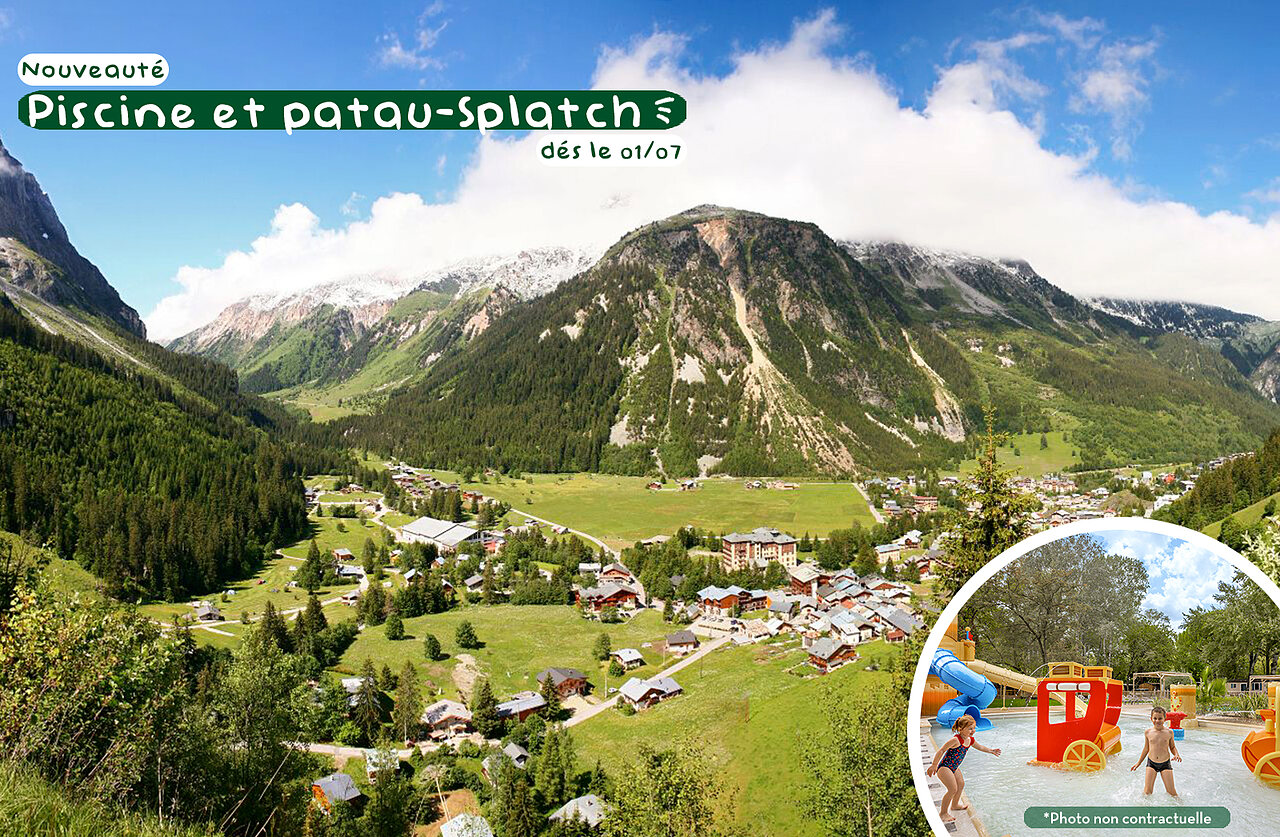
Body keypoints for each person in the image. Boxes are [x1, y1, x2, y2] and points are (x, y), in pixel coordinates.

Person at [926, 714, 1001, 823]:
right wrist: (934, 765)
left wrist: (991, 750)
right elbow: (941, 750)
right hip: (944, 767)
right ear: (960, 729)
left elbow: (980, 747)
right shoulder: (956, 740)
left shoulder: (970, 740)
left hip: (954, 767)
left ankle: (955, 804)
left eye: (974, 728)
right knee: (952, 789)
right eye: (970, 728)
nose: (973, 731)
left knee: (961, 784)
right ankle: (943, 813)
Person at [1131, 704, 1181, 795]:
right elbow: (1146, 749)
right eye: (1155, 718)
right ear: (1151, 719)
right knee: (1147, 792)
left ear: (1165, 719)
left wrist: (1176, 754)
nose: (1157, 721)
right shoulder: (1148, 732)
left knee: (1172, 792)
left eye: (1160, 718)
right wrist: (1138, 763)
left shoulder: (1169, 732)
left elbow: (1172, 747)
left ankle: (1180, 808)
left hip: (1165, 763)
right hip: (1151, 763)